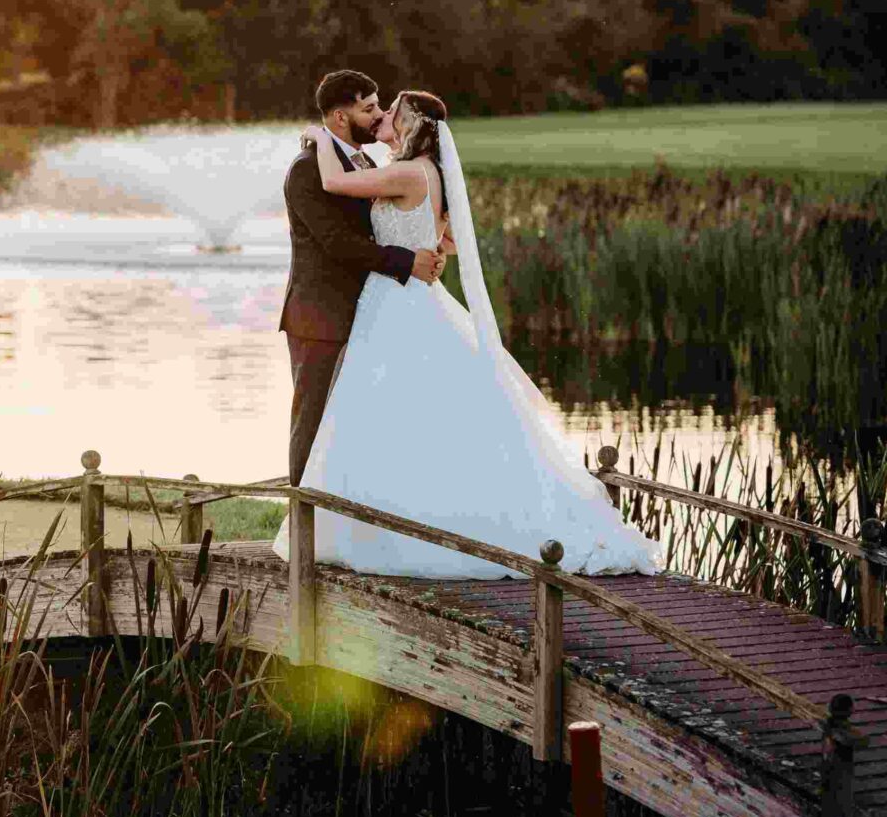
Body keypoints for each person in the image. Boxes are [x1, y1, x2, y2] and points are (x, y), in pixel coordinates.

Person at [272, 88, 662, 577]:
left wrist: (316, 136)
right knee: (415, 415)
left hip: (394, 302)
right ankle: (395, 516)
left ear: (412, 125)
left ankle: (381, 526)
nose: (382, 116)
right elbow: (450, 239)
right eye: (374, 108)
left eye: (390, 110)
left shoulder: (406, 171)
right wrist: (425, 245)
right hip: (406, 297)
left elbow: (333, 182)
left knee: (387, 414)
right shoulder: (425, 173)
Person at [277, 70, 445, 488]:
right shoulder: (306, 170)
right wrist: (408, 261)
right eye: (368, 108)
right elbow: (338, 243)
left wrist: (432, 244)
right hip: (321, 316)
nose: (377, 116)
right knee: (313, 424)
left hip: (371, 314)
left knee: (354, 429)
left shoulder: (368, 164)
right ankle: (305, 530)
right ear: (338, 117)